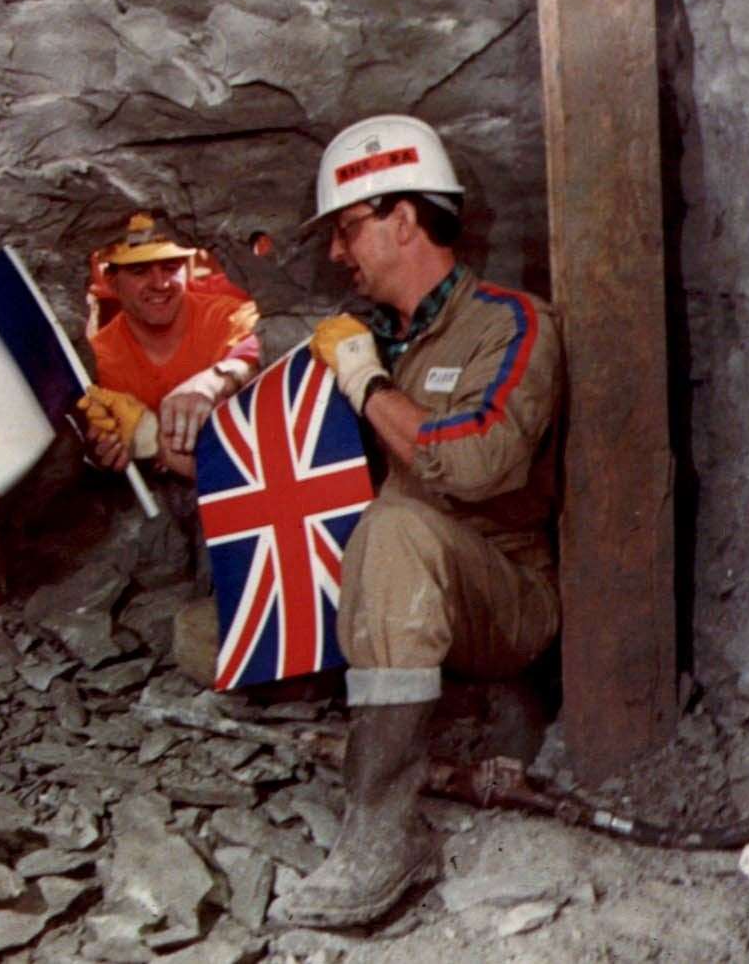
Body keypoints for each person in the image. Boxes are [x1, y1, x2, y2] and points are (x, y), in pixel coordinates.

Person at [272, 115, 564, 928]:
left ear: (403, 219)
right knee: (214, 637)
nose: (337, 253)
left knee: (396, 529)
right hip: (410, 588)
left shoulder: (510, 324)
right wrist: (168, 431)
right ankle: (469, 705)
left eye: (347, 230)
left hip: (506, 594)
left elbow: (479, 462)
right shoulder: (373, 337)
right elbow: (277, 459)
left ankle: (382, 832)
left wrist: (365, 383)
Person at [79, 213, 261, 479]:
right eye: (139, 271)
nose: (160, 283)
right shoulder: (100, 361)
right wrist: (103, 454)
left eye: (170, 267)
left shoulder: (227, 318)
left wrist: (216, 379)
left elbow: (265, 350)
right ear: (111, 281)